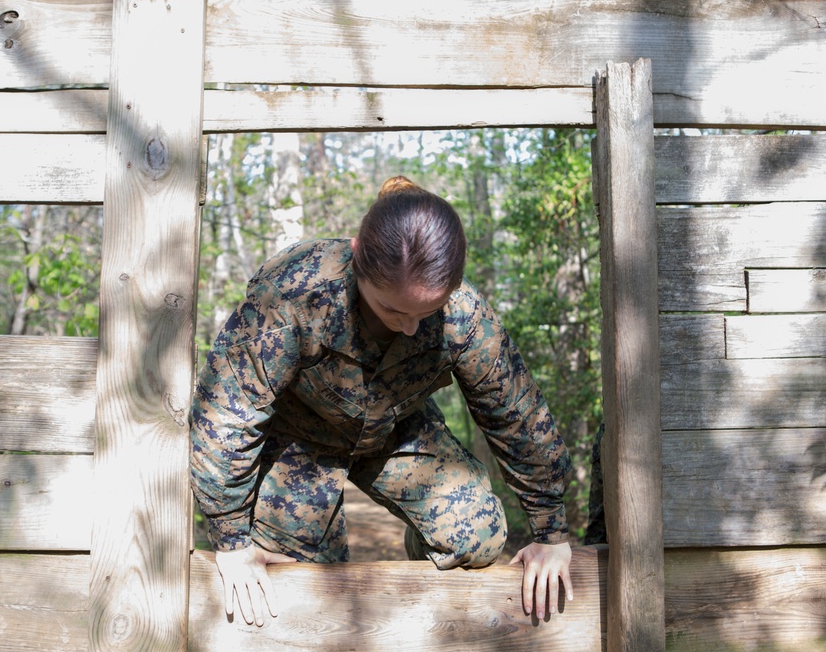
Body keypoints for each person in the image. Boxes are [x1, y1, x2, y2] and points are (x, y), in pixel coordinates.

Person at [190, 176, 574, 626]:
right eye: (393, 310)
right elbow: (224, 417)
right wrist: (232, 541)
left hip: (395, 427)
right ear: (357, 258)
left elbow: (517, 415)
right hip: (297, 437)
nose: (411, 328)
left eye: (425, 313)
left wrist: (551, 529)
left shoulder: (464, 315)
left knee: (479, 536)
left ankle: (420, 567)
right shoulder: (293, 295)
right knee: (302, 586)